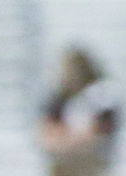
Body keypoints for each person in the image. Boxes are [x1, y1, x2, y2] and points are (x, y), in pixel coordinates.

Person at [40, 47, 119, 176]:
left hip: (92, 154)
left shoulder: (101, 93)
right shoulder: (59, 96)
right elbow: (48, 129)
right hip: (64, 154)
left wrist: (71, 141)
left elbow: (100, 129)